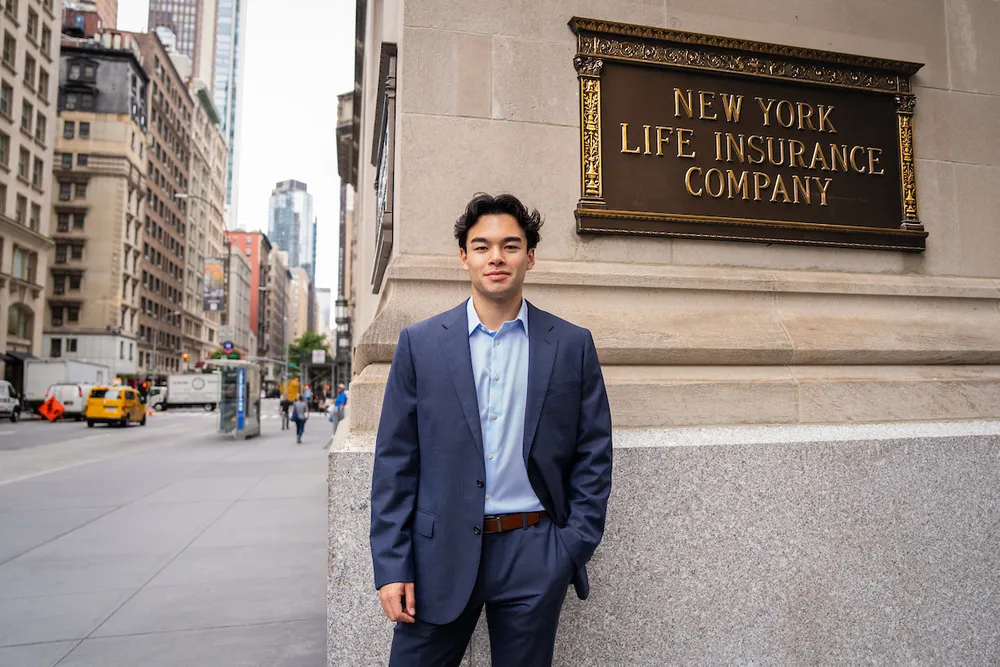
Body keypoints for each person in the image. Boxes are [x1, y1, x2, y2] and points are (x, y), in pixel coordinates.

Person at [370, 193, 613, 666]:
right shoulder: (420, 345)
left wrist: (568, 548)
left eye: (511, 245)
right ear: (463, 257)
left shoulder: (570, 344)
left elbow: (594, 451)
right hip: (436, 555)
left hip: (534, 551)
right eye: (481, 247)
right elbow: (395, 462)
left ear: (530, 257)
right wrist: (391, 566)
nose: (496, 258)